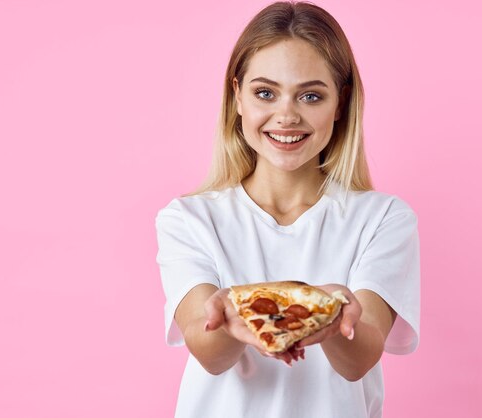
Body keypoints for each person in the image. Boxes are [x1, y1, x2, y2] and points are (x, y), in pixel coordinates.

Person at [155, 2, 420, 417]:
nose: (287, 115)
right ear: (237, 96)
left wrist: (330, 321)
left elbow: (358, 360)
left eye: (311, 95)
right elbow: (208, 352)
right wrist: (231, 321)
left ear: (340, 103)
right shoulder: (188, 220)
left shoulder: (383, 219)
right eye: (265, 93)